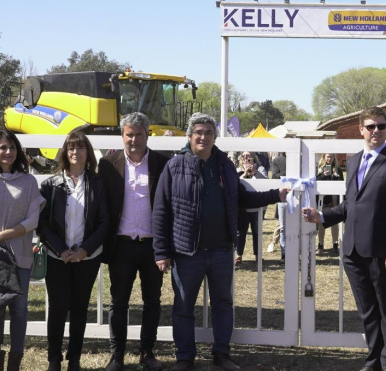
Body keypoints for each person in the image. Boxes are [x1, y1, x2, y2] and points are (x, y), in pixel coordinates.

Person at [152, 113, 288, 371]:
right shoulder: (174, 166)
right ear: (190, 136)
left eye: (209, 133)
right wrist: (161, 251)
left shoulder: (224, 164)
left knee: (223, 305)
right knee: (183, 307)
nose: (203, 137)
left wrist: (275, 194)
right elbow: (161, 210)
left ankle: (221, 355)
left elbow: (242, 198)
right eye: (198, 132)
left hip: (221, 250)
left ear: (215, 137)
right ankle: (184, 358)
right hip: (186, 251)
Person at [303, 106, 386, 371]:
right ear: (361, 130)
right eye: (371, 126)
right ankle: (373, 360)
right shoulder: (352, 161)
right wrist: (322, 215)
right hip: (352, 250)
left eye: (381, 126)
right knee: (367, 311)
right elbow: (350, 205)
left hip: (381, 251)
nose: (376, 131)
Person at [98, 113, 171, 371]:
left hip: (153, 245)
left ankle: (147, 353)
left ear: (148, 134)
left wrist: (166, 246)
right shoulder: (108, 164)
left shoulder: (163, 163)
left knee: (152, 301)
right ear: (122, 135)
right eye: (129, 134)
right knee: (118, 302)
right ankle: (116, 356)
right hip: (122, 245)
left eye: (139, 134)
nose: (134, 139)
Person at [38, 131, 109, 371]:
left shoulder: (98, 184)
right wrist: (60, 250)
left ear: (87, 152)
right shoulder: (51, 184)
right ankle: (54, 359)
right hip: (57, 257)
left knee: (80, 308)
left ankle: (74, 359)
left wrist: (85, 250)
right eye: (71, 148)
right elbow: (42, 224)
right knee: (57, 308)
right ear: (65, 153)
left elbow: (104, 222)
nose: (75, 152)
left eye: (80, 148)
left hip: (87, 257)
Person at [0, 130, 45, 371]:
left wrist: (3, 235)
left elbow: (32, 222)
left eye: (12, 147)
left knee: (19, 309)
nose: (8, 152)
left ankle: (15, 362)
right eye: (2, 147)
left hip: (20, 255)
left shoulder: (28, 182)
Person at [235, 151, 267, 265]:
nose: (246, 158)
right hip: (242, 207)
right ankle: (239, 255)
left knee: (257, 232)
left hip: (257, 206)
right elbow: (235, 184)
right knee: (240, 232)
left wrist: (255, 172)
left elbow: (265, 183)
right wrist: (244, 174)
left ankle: (258, 255)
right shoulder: (238, 170)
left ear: (254, 158)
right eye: (244, 156)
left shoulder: (261, 169)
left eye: (248, 156)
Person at [316, 153, 343, 255]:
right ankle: (320, 244)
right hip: (322, 200)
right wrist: (323, 175)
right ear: (324, 157)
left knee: (334, 223)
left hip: (334, 200)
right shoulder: (319, 168)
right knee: (321, 222)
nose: (329, 159)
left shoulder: (338, 169)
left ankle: (335, 244)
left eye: (331, 157)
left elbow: (341, 183)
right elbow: (316, 182)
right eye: (327, 157)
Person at [268, 152, 287, 259]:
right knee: (283, 226)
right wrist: (289, 172)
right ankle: (284, 253)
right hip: (283, 197)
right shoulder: (277, 160)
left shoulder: (300, 158)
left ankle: (295, 253)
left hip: (298, 196)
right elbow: (275, 176)